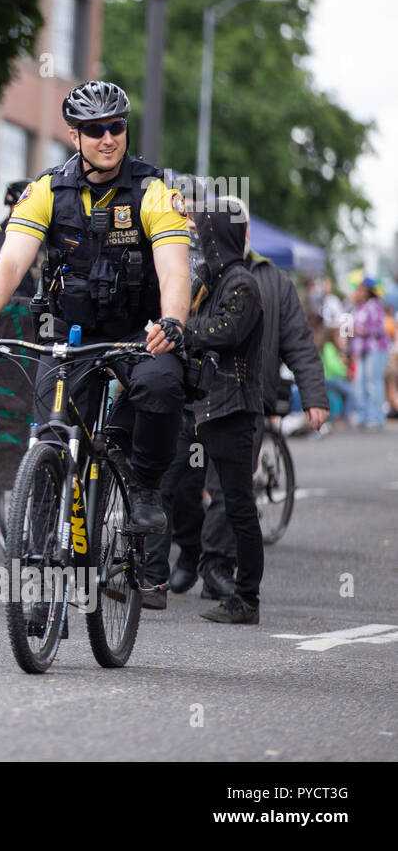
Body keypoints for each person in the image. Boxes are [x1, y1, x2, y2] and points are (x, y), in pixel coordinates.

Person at [0, 81, 192, 604]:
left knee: (160, 388)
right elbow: (11, 262)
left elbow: (175, 268)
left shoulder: (153, 191)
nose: (108, 138)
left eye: (117, 127)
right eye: (95, 130)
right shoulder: (46, 190)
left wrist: (172, 321)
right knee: (51, 442)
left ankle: (144, 487)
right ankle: (39, 574)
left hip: (139, 334)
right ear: (74, 135)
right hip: (71, 334)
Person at [160, 199, 328, 603]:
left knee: (227, 490)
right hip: (194, 398)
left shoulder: (271, 280)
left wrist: (315, 396)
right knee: (181, 481)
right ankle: (191, 549)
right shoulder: (197, 271)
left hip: (241, 398)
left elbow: (299, 344)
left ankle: (218, 566)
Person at [183, 200, 266, 624]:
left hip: (234, 411)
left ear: (219, 235)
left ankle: (246, 598)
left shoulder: (241, 284)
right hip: (213, 409)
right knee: (198, 491)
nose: (199, 238)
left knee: (238, 504)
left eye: (204, 231)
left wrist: (183, 328)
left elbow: (227, 331)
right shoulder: (216, 280)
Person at [349, 277, 390, 430]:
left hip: (376, 348)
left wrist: (362, 330)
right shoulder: (358, 307)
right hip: (362, 350)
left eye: (360, 289)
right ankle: (363, 415)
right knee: (360, 383)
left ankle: (376, 417)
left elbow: (378, 328)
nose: (358, 292)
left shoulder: (375, 305)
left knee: (374, 383)